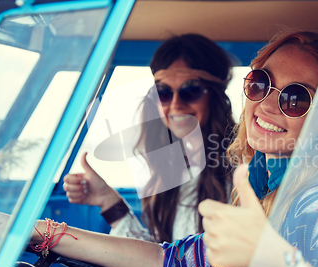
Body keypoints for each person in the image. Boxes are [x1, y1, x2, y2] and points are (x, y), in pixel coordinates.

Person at [0, 30, 318, 267]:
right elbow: (166, 262)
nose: (268, 104)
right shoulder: (260, 185)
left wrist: (277, 260)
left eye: (297, 97)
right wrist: (38, 231)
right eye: (260, 83)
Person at [63, 34, 236, 243]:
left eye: (191, 90)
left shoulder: (240, 169)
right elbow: (163, 258)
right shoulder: (174, 167)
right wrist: (108, 201)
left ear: (215, 96)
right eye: (163, 92)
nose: (175, 104)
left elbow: (169, 265)